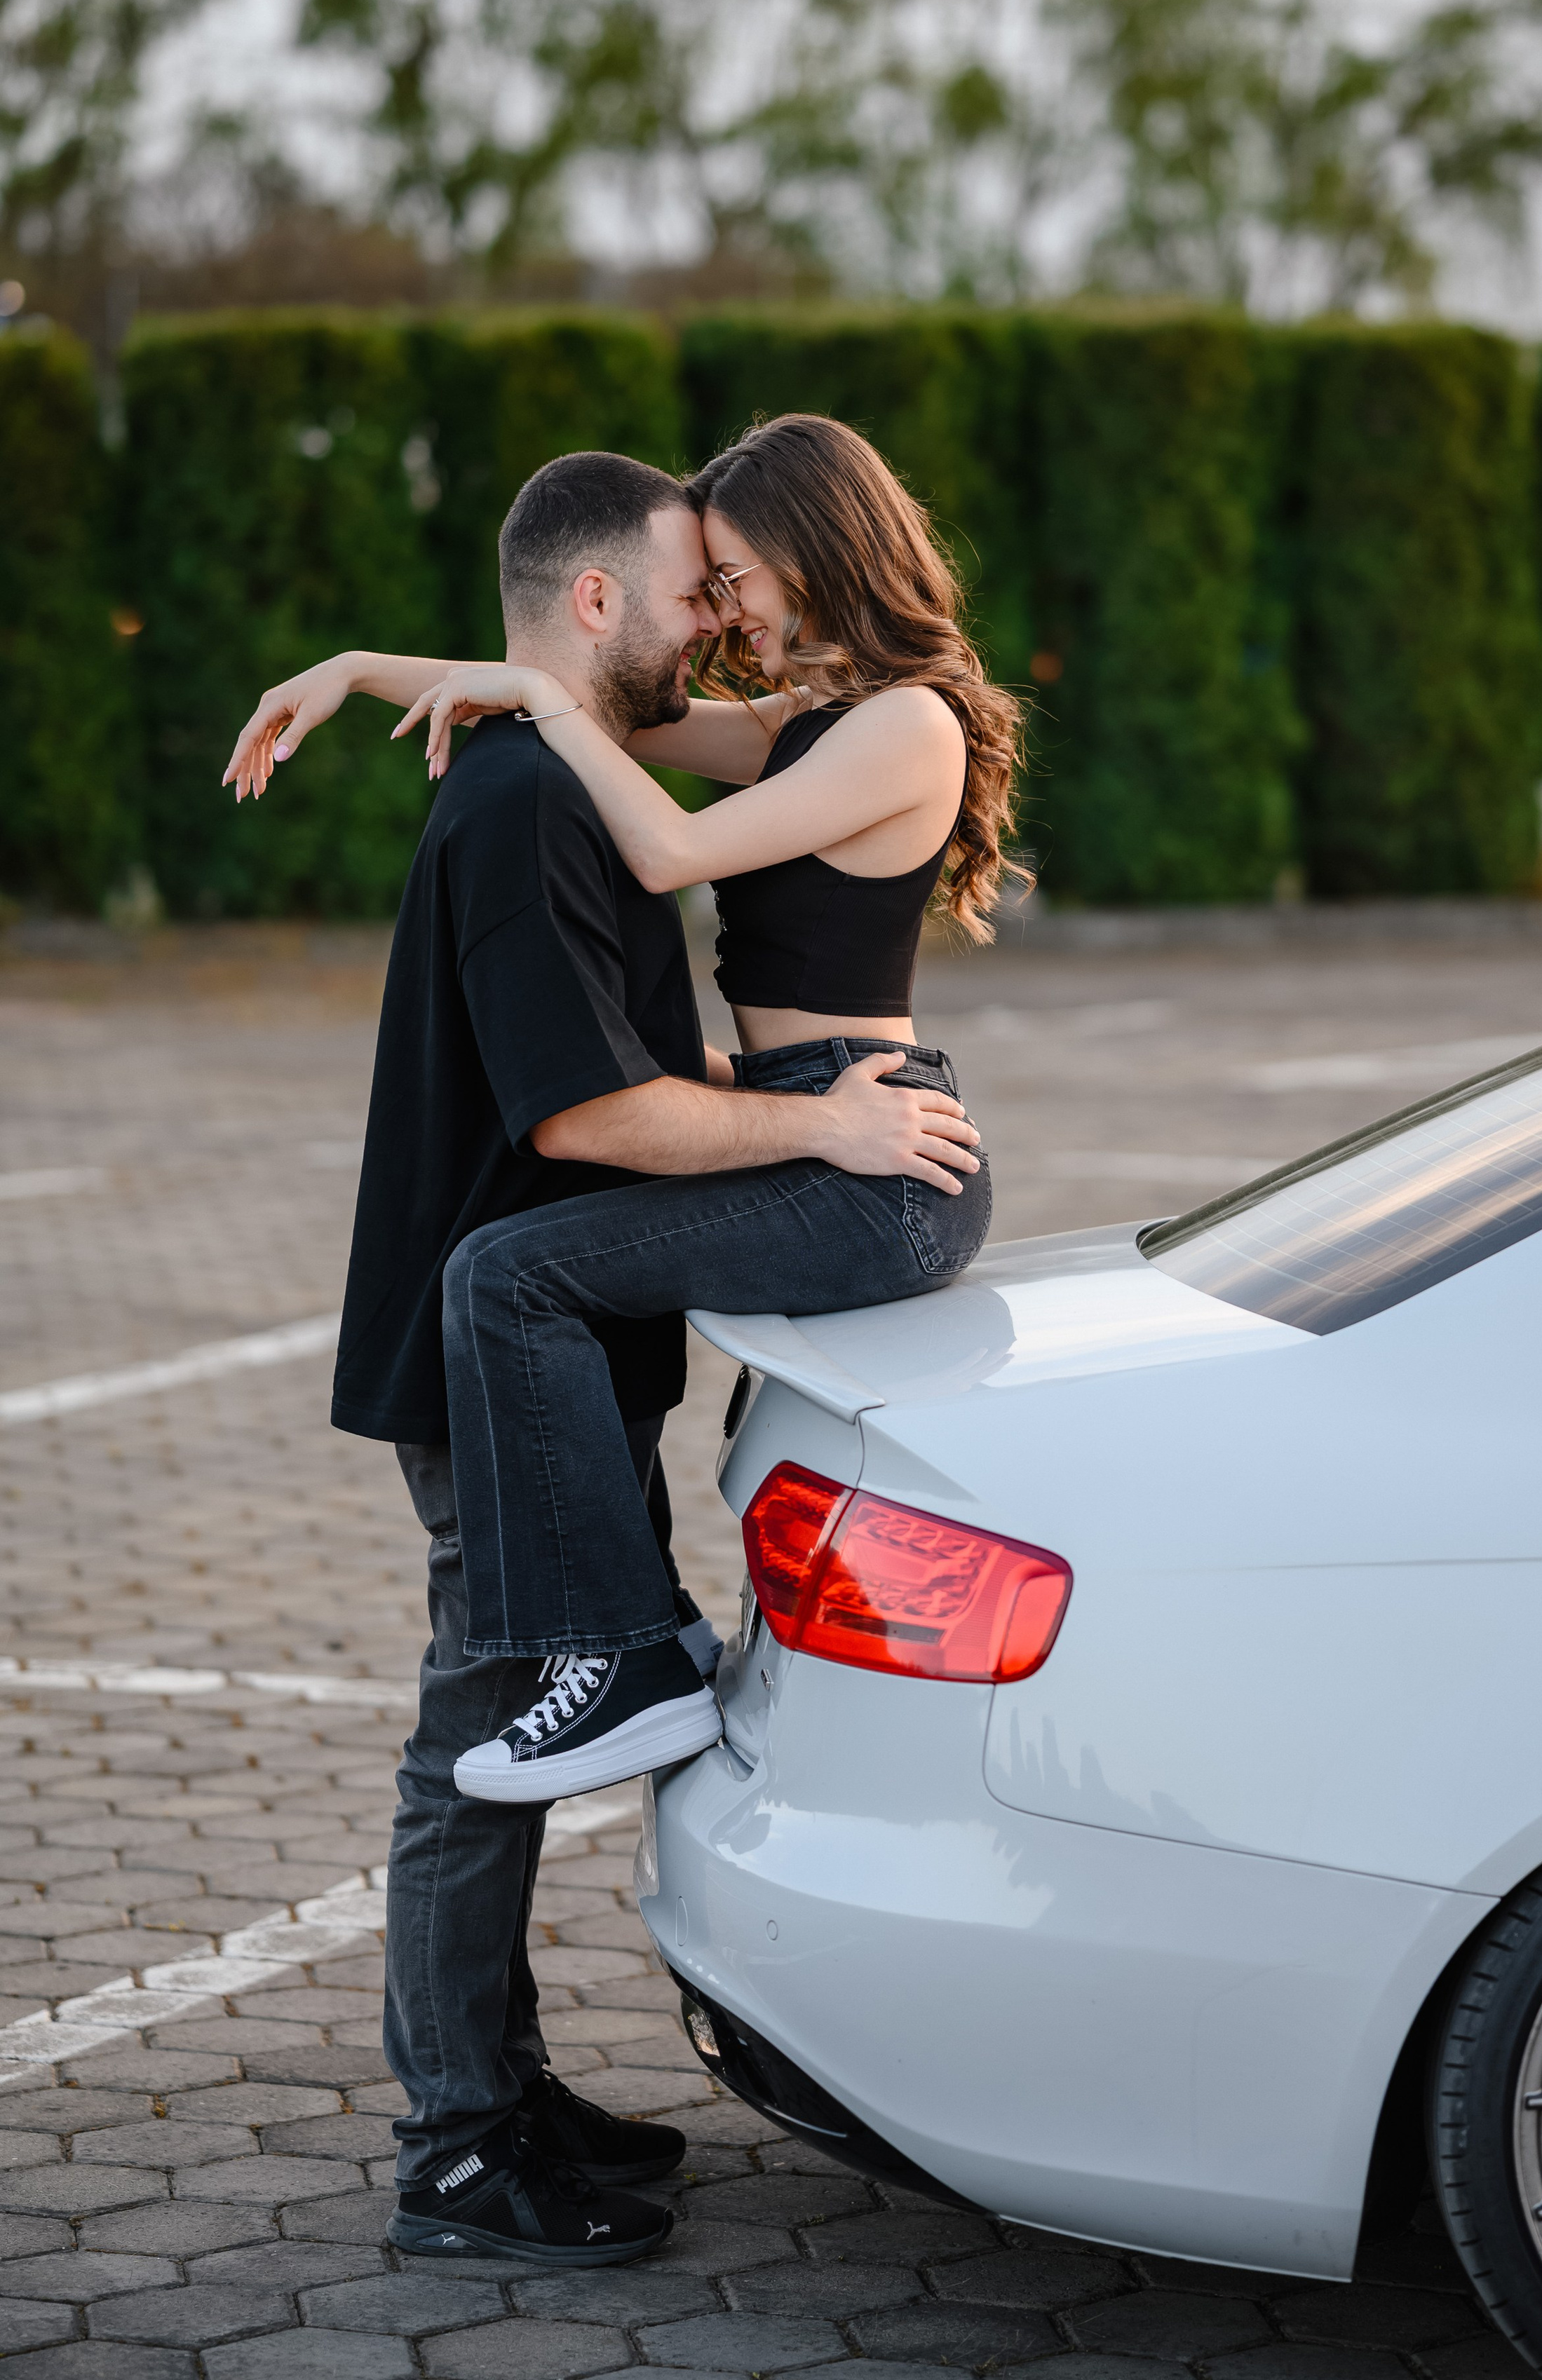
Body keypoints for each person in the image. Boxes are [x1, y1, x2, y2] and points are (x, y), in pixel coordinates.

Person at [222, 443, 987, 2271]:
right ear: (600, 603)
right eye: (690, 587)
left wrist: (389, 671)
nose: (714, 621)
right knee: (477, 1729)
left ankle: (500, 2081)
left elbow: (660, 973)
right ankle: (462, 2140)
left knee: (502, 1703)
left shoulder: (674, 762)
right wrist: (811, 1129)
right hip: (492, 1339)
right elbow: (585, 1117)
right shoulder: (532, 808)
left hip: (566, 1335)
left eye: (735, 582)